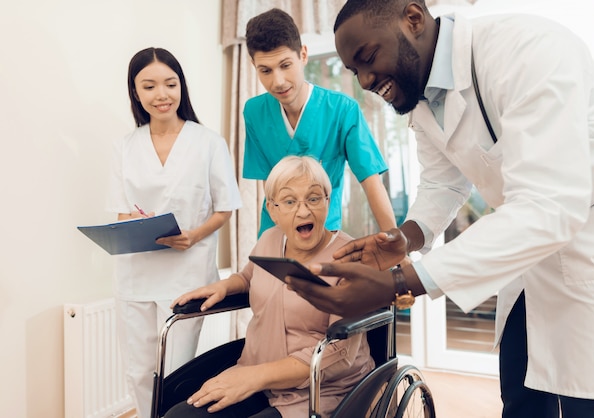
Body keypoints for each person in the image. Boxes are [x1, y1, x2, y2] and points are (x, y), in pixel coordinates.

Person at [285, 1, 594, 417]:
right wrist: (405, 237)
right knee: (521, 400)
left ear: (413, 19)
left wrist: (398, 282)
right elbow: (443, 182)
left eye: (368, 58)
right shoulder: (421, 95)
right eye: (355, 72)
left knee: (593, 404)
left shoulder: (526, 50)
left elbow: (548, 204)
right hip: (531, 265)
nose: (367, 81)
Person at [164, 156, 374, 418]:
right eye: (289, 201)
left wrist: (255, 377)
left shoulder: (349, 259)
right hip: (256, 374)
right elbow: (250, 276)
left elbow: (340, 354)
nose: (303, 211)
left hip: (320, 389)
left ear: (328, 202)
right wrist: (226, 285)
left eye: (313, 198)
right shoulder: (270, 239)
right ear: (272, 209)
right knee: (180, 416)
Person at [106, 47, 242, 418]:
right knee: (138, 370)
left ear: (181, 86)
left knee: (176, 372)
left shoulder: (208, 142)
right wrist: (138, 225)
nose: (161, 94)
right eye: (149, 86)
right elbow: (121, 210)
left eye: (170, 83)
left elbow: (225, 207)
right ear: (136, 92)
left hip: (187, 273)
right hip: (135, 273)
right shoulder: (125, 146)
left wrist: (194, 236)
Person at [242, 8, 397, 236]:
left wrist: (396, 245)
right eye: (265, 70)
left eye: (285, 65)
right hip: (274, 234)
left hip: (323, 234)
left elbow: (371, 181)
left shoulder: (343, 110)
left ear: (303, 55)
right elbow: (270, 185)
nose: (278, 82)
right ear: (254, 66)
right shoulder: (254, 112)